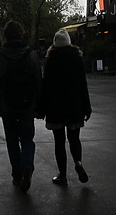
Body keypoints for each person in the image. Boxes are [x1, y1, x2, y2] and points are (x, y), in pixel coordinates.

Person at [0, 20, 42, 193]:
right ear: (21, 34)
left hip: (7, 105)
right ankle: (27, 164)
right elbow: (38, 82)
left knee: (12, 140)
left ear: (5, 36)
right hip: (27, 104)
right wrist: (40, 106)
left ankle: (17, 174)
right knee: (27, 139)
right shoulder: (31, 55)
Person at [36, 29, 91, 185]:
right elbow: (82, 85)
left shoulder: (51, 60)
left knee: (59, 142)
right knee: (74, 138)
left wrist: (41, 109)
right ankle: (78, 163)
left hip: (56, 107)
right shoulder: (77, 58)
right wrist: (87, 107)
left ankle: (62, 175)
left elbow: (46, 86)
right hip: (74, 105)